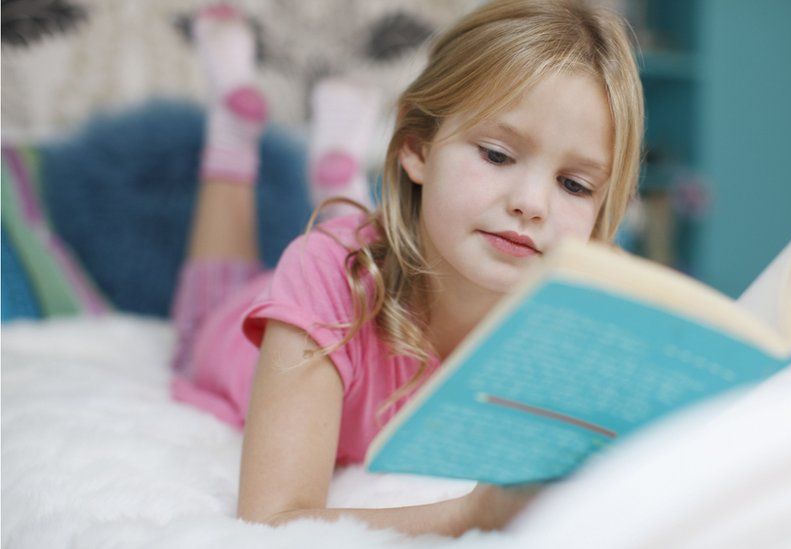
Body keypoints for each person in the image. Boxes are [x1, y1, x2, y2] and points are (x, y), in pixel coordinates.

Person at [169, 0, 644, 537]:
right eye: (495, 154)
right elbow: (271, 519)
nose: (532, 203)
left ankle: (341, 179)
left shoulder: (573, 328)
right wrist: (469, 515)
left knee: (357, 240)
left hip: (376, 254)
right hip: (248, 321)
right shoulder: (324, 277)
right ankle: (232, 135)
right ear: (416, 147)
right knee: (208, 303)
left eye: (575, 186)